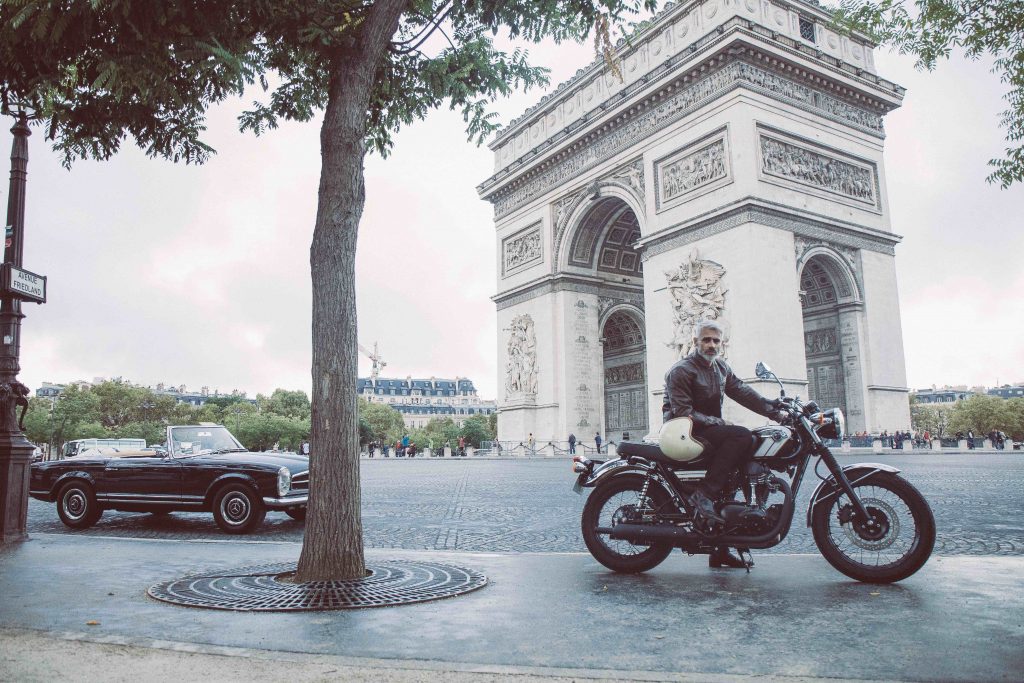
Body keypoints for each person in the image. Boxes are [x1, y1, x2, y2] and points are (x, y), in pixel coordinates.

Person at [662, 319, 785, 570]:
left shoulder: (720, 367)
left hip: (707, 429)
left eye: (716, 340)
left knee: (746, 448)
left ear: (722, 344)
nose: (711, 344)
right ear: (695, 342)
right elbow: (682, 411)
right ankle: (704, 494)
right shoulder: (681, 370)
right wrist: (716, 421)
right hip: (685, 430)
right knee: (741, 436)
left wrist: (775, 410)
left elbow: (742, 392)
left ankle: (720, 548)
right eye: (706, 339)